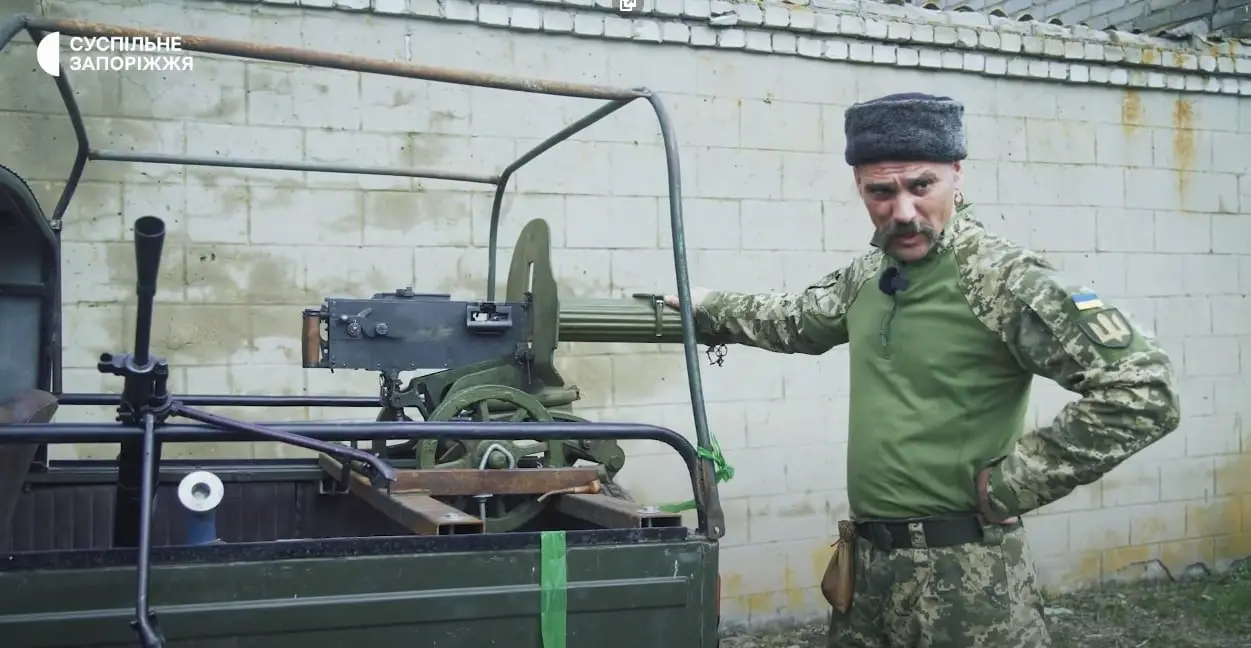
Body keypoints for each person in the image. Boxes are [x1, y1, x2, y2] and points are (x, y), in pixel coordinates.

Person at [663, 93, 1181, 647]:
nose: (903, 211)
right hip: (868, 572)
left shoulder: (999, 280)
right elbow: (796, 320)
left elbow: (1143, 388)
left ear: (956, 174)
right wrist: (708, 305)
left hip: (964, 578)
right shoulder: (869, 274)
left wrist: (1015, 482)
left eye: (921, 186)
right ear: (859, 187)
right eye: (881, 192)